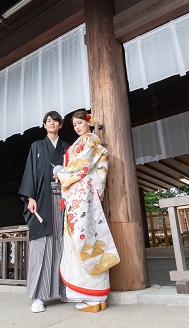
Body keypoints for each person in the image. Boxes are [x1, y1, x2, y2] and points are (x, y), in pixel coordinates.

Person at [54, 109, 120, 312]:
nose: (77, 127)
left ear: (89, 123)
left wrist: (60, 173)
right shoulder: (90, 142)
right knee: (89, 242)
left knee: (81, 243)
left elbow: (81, 166)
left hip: (81, 198)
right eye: (74, 125)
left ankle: (91, 297)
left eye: (79, 122)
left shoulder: (88, 140)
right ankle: (96, 296)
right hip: (85, 196)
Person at [18, 111, 69, 313]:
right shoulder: (37, 147)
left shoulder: (66, 148)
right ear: (44, 125)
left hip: (63, 200)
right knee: (41, 247)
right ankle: (38, 296)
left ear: (60, 124)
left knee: (63, 244)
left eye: (54, 120)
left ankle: (64, 290)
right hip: (42, 200)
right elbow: (30, 172)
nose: (51, 123)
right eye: (48, 120)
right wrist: (30, 198)